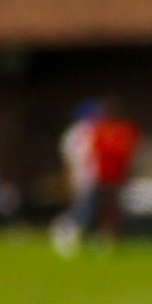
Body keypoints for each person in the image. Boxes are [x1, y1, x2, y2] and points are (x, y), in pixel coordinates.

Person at [52, 100, 102, 256]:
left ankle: (81, 238)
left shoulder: (94, 132)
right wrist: (69, 180)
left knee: (88, 211)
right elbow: (69, 160)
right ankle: (63, 232)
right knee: (79, 210)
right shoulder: (74, 134)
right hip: (80, 177)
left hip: (93, 177)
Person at [89, 101, 140, 244]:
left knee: (116, 207)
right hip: (103, 174)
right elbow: (96, 150)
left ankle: (117, 236)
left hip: (119, 174)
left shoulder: (124, 130)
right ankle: (104, 235)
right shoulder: (100, 130)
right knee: (103, 206)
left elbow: (127, 150)